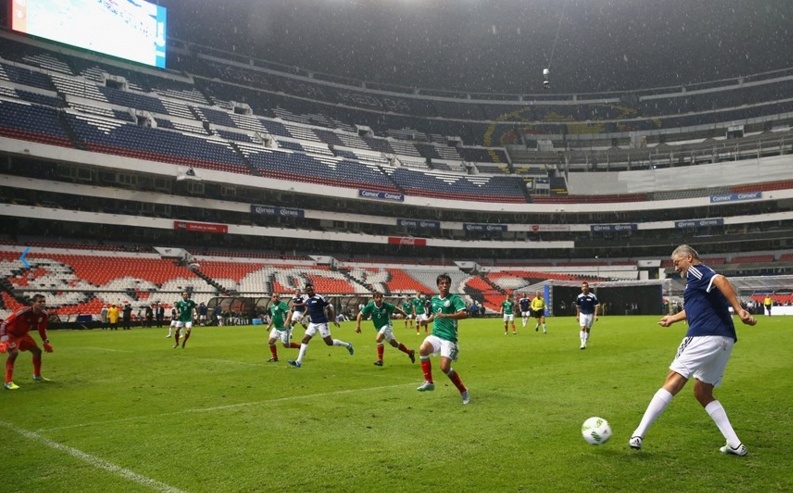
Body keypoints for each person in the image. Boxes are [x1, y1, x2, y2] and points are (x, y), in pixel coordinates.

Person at [629, 245, 756, 456]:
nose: (675, 267)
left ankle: (638, 433)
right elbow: (694, 308)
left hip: (703, 336)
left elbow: (721, 280)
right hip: (724, 338)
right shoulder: (696, 283)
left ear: (688, 258)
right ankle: (734, 444)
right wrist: (672, 318)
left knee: (673, 379)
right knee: (702, 391)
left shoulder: (697, 271)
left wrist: (740, 309)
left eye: (677, 262)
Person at [416, 273, 470, 405]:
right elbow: (435, 315)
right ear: (438, 286)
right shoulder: (434, 300)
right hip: (436, 335)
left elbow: (464, 314)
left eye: (447, 283)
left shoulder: (454, 299)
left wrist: (446, 315)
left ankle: (463, 390)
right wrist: (426, 321)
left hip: (449, 338)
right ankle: (429, 382)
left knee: (445, 368)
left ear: (450, 285)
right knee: (423, 350)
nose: (444, 285)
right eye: (442, 283)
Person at [287, 283, 354, 368]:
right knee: (304, 340)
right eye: (309, 290)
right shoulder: (307, 299)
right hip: (313, 323)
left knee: (329, 342)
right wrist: (303, 315)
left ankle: (348, 345)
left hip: (322, 322)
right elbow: (309, 309)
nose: (311, 291)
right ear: (306, 291)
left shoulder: (319, 298)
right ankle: (298, 362)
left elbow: (328, 308)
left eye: (312, 289)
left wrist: (333, 320)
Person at [0, 294, 53, 390]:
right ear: (33, 303)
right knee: (14, 354)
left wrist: (46, 341)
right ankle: (8, 382)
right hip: (11, 334)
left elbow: (42, 329)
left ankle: (37, 376)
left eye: (44, 301)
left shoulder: (44, 314)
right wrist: (4, 340)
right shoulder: (23, 311)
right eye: (40, 302)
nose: (42, 304)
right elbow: (4, 323)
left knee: (37, 351)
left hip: (23, 335)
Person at [355, 291, 415, 366]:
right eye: (377, 297)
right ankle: (410, 352)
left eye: (380, 297)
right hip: (380, 328)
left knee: (378, 339)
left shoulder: (386, 305)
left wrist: (406, 316)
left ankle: (380, 360)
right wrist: (358, 326)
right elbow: (360, 314)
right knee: (395, 344)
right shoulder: (370, 306)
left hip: (387, 325)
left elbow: (397, 309)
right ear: (374, 298)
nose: (379, 299)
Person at [265, 293, 301, 362]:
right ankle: (275, 357)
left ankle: (299, 346)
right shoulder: (272, 306)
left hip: (284, 329)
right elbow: (273, 316)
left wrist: (287, 322)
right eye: (274, 297)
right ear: (271, 298)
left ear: (279, 298)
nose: (275, 298)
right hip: (276, 328)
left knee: (286, 345)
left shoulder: (282, 304)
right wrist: (269, 325)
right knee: (270, 341)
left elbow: (289, 313)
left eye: (277, 297)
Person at [575, 281, 599, 349]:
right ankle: (582, 343)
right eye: (583, 287)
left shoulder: (592, 296)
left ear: (588, 288)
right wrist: (577, 315)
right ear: (581, 288)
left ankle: (585, 342)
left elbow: (596, 305)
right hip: (582, 313)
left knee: (588, 329)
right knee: (582, 327)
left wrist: (596, 315)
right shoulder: (579, 297)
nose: (584, 288)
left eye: (586, 286)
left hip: (590, 314)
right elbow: (578, 306)